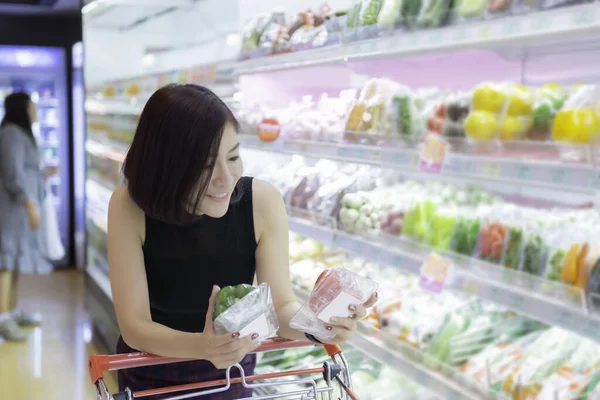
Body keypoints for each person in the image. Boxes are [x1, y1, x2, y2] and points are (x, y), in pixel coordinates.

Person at [108, 84, 377, 399]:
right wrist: (202, 347)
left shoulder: (261, 202)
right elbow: (135, 326)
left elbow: (279, 306)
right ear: (167, 167)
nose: (225, 177)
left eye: (233, 156)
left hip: (233, 377)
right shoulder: (129, 206)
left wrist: (319, 323)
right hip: (150, 377)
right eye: (205, 165)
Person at [0, 92, 54, 341]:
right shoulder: (11, 133)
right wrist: (29, 203)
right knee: (6, 262)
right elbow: (13, 174)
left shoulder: (20, 134)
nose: (35, 110)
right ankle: (3, 318)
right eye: (32, 106)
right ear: (21, 108)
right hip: (12, 210)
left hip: (19, 210)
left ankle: (12, 311)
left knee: (15, 262)